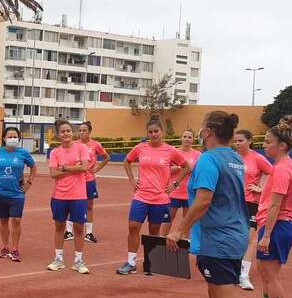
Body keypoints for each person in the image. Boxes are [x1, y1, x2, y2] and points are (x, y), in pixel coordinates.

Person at [169, 111, 254, 298]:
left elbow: (203, 201)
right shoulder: (235, 158)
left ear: (208, 132)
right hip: (234, 234)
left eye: (201, 128)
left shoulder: (208, 159)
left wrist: (178, 230)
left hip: (219, 238)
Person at [248, 115, 292, 298]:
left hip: (277, 226)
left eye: (268, 141)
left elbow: (277, 204)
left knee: (270, 276)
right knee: (266, 272)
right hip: (278, 224)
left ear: (281, 145)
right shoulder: (285, 165)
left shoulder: (281, 169)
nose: (264, 145)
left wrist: (266, 235)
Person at [118, 117, 191, 275]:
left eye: (156, 131)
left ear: (162, 132)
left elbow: (186, 167)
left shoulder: (170, 150)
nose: (153, 134)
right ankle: (130, 262)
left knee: (154, 231)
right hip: (141, 196)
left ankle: (151, 262)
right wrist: (132, 180)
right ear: (147, 133)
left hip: (160, 198)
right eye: (150, 132)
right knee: (133, 227)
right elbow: (127, 162)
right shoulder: (140, 148)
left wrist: (175, 184)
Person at [0, 127, 36, 262]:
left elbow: (33, 167)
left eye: (15, 137)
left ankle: (15, 248)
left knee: (16, 220)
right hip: (0, 192)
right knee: (3, 220)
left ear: (18, 139)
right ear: (4, 138)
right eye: (10, 137)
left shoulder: (23, 153)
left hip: (17, 193)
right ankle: (5, 247)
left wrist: (29, 183)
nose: (12, 139)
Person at [46, 120, 91, 273]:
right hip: (59, 195)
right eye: (63, 131)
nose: (66, 133)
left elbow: (84, 168)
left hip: (78, 195)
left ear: (73, 132)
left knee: (79, 228)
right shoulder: (55, 152)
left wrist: (64, 167)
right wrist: (75, 168)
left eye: (68, 130)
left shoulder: (82, 147)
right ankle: (58, 259)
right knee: (59, 227)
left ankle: (79, 261)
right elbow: (53, 174)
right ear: (58, 135)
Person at [234, 130, 272, 291]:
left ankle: (243, 275)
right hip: (232, 202)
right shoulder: (232, 157)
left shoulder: (257, 158)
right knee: (233, 236)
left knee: (249, 239)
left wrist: (260, 188)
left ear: (249, 141)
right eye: (235, 141)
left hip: (250, 203)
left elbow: (273, 173)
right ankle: (231, 270)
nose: (237, 143)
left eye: (240, 140)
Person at [64, 121, 110, 243]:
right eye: (80, 130)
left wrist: (97, 169)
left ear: (89, 132)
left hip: (89, 179)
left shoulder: (95, 144)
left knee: (89, 206)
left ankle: (89, 233)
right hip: (76, 179)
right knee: (71, 204)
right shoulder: (74, 144)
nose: (81, 133)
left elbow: (107, 157)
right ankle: (68, 231)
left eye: (84, 130)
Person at [161, 129, 201, 236]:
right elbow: (166, 169)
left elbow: (199, 171)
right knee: (168, 218)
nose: (187, 139)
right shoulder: (174, 152)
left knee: (187, 219)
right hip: (174, 190)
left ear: (193, 140)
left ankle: (186, 241)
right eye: (185, 137)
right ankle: (163, 238)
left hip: (189, 191)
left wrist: (190, 169)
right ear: (181, 138)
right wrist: (180, 168)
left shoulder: (198, 154)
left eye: (189, 137)